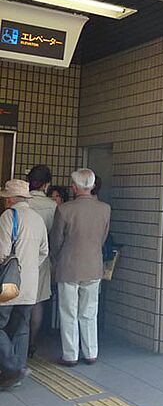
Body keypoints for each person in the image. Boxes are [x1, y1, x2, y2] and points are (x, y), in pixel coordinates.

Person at [49, 169, 110, 366]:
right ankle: (91, 352)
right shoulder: (105, 209)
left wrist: (56, 258)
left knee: (68, 312)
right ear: (92, 185)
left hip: (68, 266)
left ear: (74, 187)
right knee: (89, 311)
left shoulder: (64, 209)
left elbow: (56, 241)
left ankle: (70, 355)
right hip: (93, 264)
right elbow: (103, 237)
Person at [0, 179, 48, 389]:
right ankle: (17, 372)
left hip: (9, 285)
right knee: (21, 327)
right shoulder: (37, 219)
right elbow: (44, 251)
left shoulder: (8, 216)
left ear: (10, 199)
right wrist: (28, 268)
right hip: (30, 284)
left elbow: (2, 252)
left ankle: (12, 369)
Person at [26, 165, 57, 357]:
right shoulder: (52, 206)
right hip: (42, 258)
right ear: (46, 184)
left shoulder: (22, 203)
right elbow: (55, 235)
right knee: (37, 303)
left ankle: (16, 342)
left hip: (19, 258)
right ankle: (32, 343)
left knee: (18, 302)